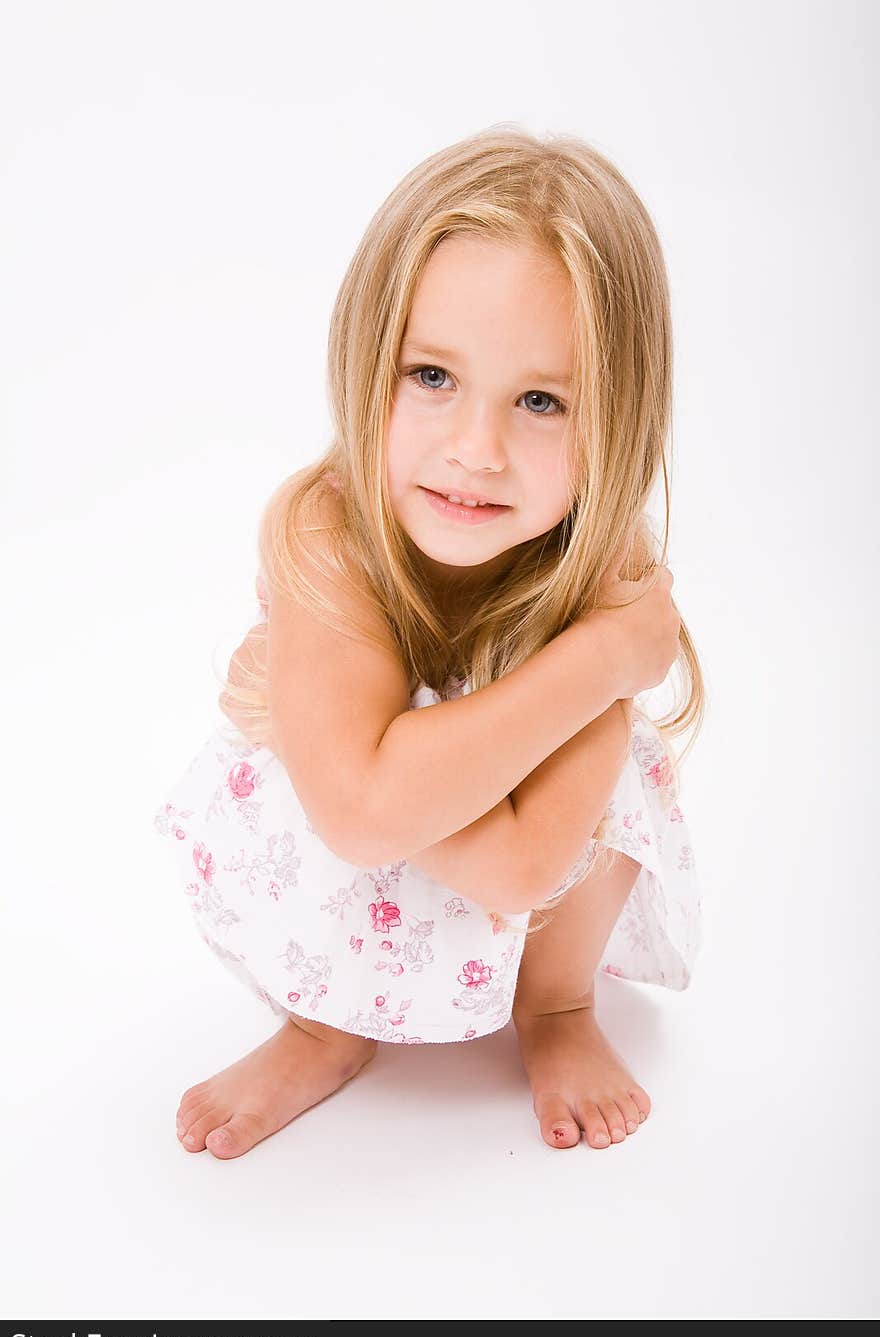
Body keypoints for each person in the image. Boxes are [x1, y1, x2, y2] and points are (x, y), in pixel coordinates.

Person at [153, 124, 704, 1162]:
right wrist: (602, 663)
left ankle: (553, 1008)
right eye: (432, 376)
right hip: (356, 825)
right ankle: (326, 1022)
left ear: (617, 419)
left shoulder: (603, 572)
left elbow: (525, 865)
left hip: (517, 841)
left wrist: (350, 757)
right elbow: (356, 821)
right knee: (337, 797)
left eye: (540, 400)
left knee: (601, 782)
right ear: (371, 361)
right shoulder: (328, 533)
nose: (475, 451)